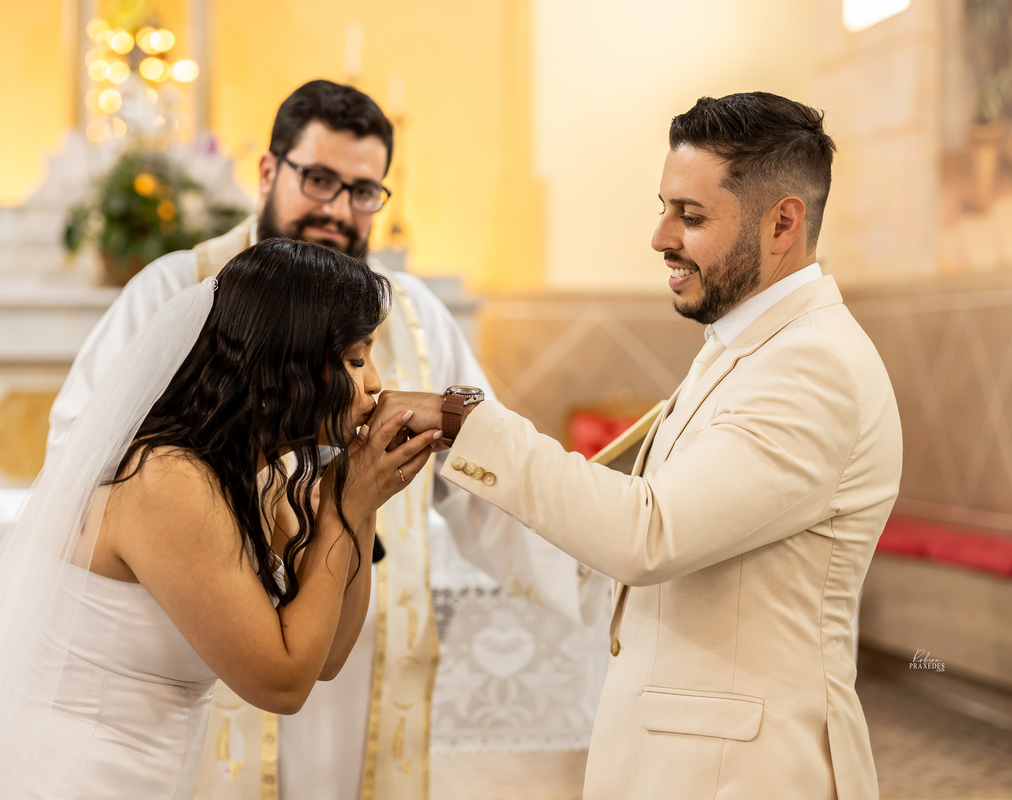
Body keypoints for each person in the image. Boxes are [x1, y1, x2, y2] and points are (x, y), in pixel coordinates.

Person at [47, 79, 596, 800]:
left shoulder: (415, 314)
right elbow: (82, 462)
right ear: (271, 171)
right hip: (199, 639)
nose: (339, 209)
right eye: (321, 180)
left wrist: (601, 572)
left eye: (364, 191)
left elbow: (484, 482)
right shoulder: (178, 297)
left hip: (350, 648)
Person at [377, 92, 902, 799]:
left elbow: (648, 532)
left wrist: (466, 420)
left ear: (782, 222)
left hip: (746, 775)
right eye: (664, 207)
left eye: (690, 215)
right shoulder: (747, 347)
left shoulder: (814, 366)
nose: (660, 236)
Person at [0, 239, 440, 799]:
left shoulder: (263, 473)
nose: (376, 382)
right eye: (356, 359)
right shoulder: (168, 479)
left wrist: (354, 506)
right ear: (288, 362)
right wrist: (344, 508)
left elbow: (325, 655)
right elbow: (282, 683)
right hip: (70, 777)